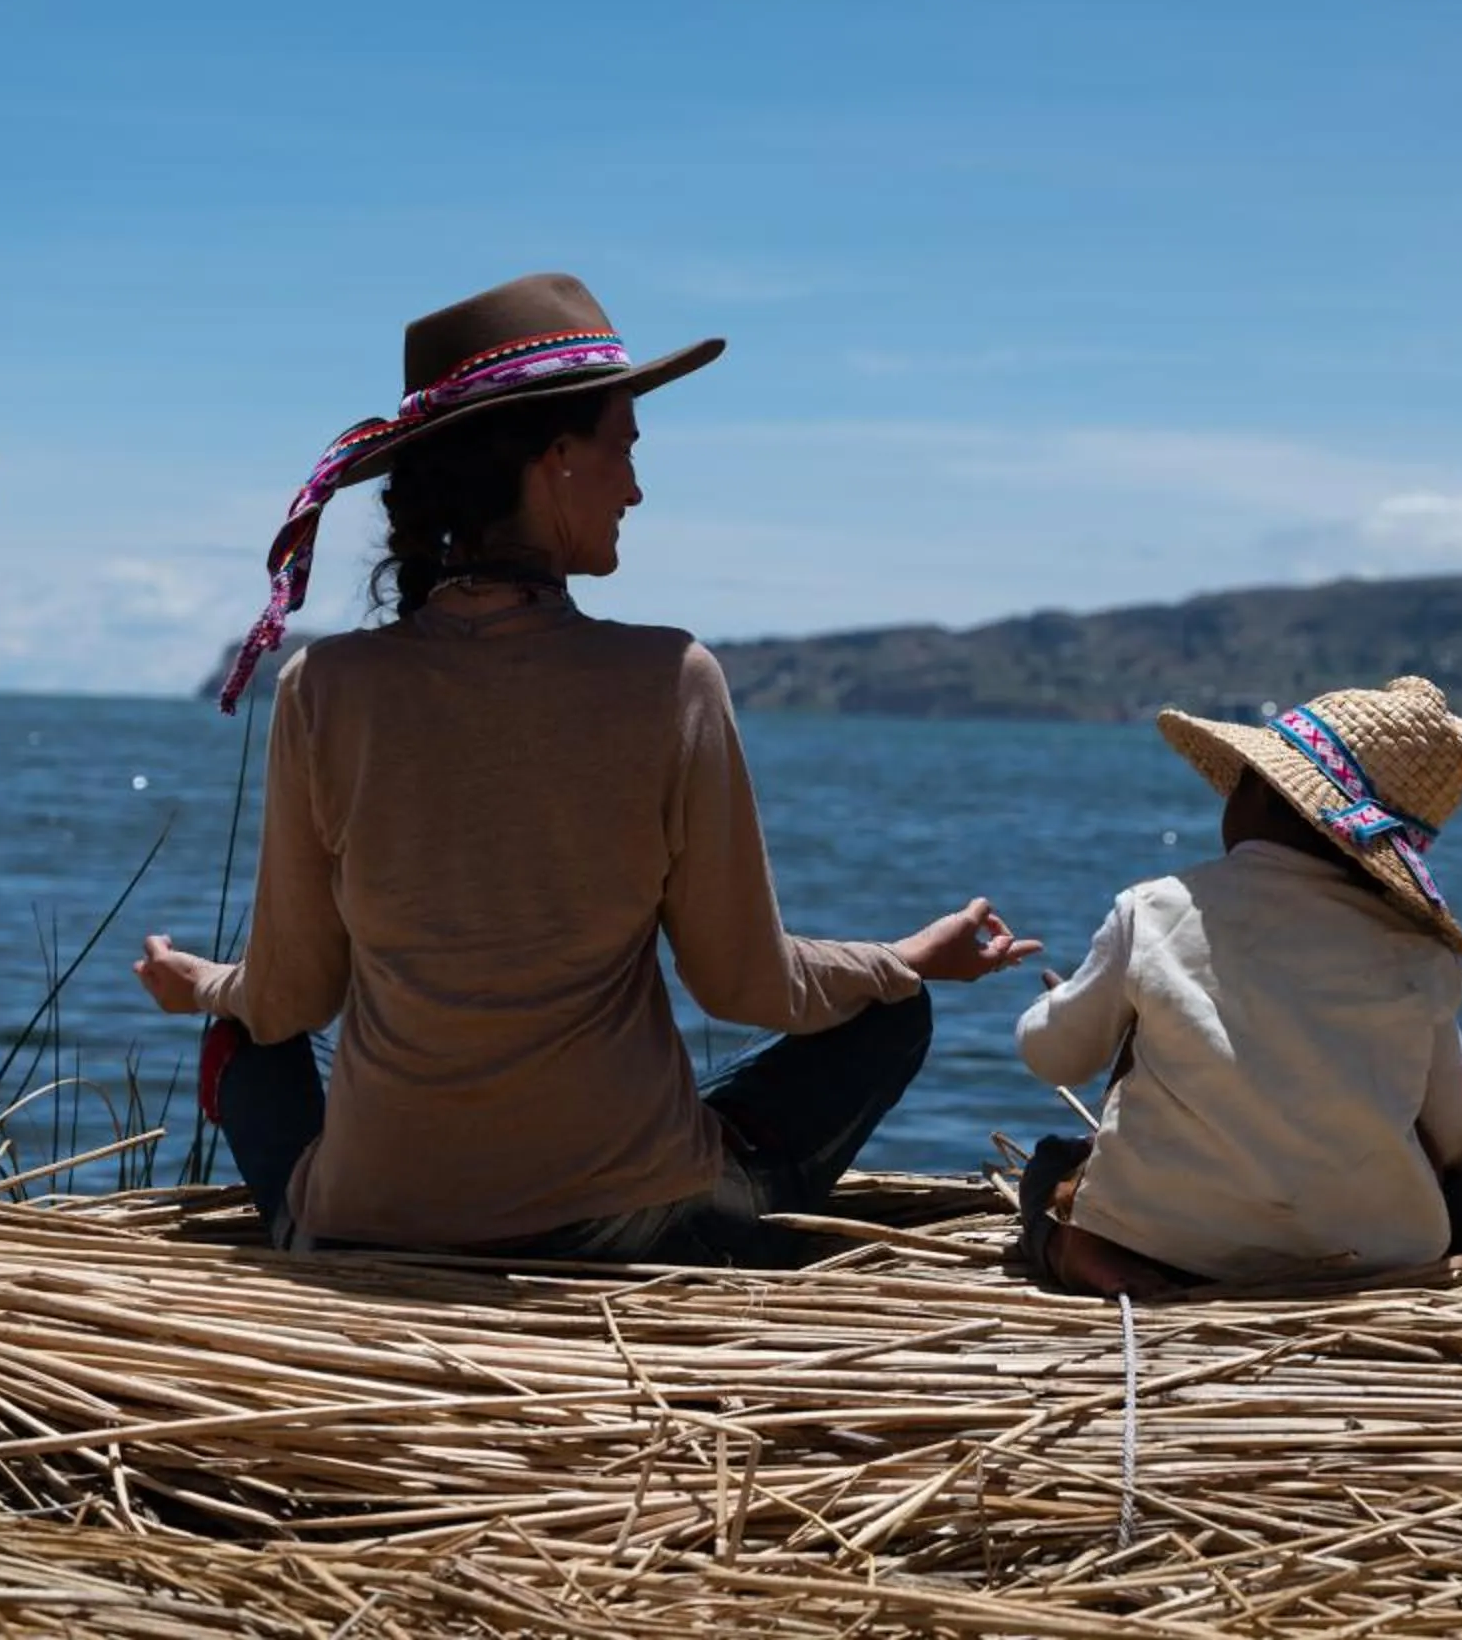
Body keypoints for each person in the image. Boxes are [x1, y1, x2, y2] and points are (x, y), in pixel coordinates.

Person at [133, 272, 1041, 1263]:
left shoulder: (323, 687)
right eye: (625, 449)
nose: (636, 488)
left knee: (246, 1039)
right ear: (556, 460)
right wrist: (906, 961)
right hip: (621, 1227)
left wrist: (203, 985)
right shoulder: (671, 678)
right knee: (888, 1017)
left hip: (371, 1221)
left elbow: (290, 999)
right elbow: (747, 985)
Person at [1013, 675, 1462, 1298]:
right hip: (1365, 1252)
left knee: (1050, 1164)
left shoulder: (1155, 910)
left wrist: (1053, 1005)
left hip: (1166, 1238)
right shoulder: (1420, 953)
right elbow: (1457, 1136)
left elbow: (1054, 1056)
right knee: (1458, 1178)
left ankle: (1078, 1249)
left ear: (1259, 791)